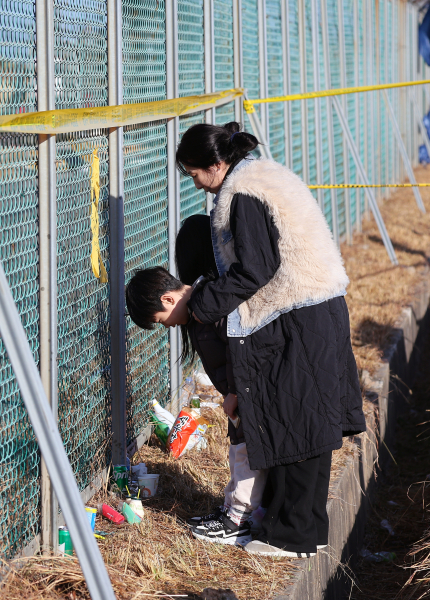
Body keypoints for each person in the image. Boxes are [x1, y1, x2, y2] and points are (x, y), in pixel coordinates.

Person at [174, 121, 366, 559]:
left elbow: (256, 270)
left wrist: (203, 303)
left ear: (216, 164)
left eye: (195, 174)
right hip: (315, 307)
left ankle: (292, 536)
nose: (197, 184)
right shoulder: (261, 177)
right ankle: (302, 531)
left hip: (298, 313)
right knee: (307, 424)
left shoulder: (242, 195)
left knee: (297, 424)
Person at [125, 215, 267, 546]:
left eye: (160, 320)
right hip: (239, 397)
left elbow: (238, 348)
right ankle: (233, 510)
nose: (167, 326)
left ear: (168, 300)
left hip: (245, 393)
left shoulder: (208, 305)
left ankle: (239, 518)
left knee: (246, 454)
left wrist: (235, 391)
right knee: (238, 451)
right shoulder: (200, 309)